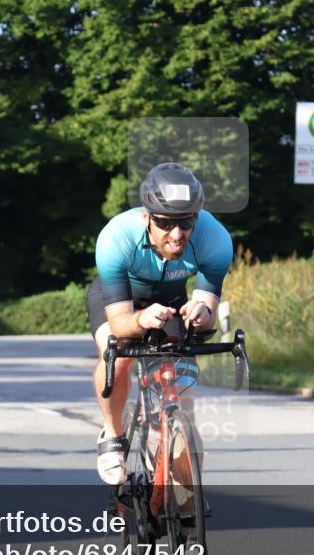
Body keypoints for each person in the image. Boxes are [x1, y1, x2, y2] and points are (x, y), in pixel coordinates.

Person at [88, 163, 233, 484]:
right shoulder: (116, 237)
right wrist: (141, 318)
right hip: (120, 298)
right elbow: (121, 324)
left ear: (197, 216)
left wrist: (200, 313)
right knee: (117, 354)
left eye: (186, 222)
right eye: (165, 223)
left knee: (184, 402)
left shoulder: (216, 239)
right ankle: (112, 433)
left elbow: (208, 312)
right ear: (146, 217)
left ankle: (185, 496)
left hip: (171, 299)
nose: (177, 234)